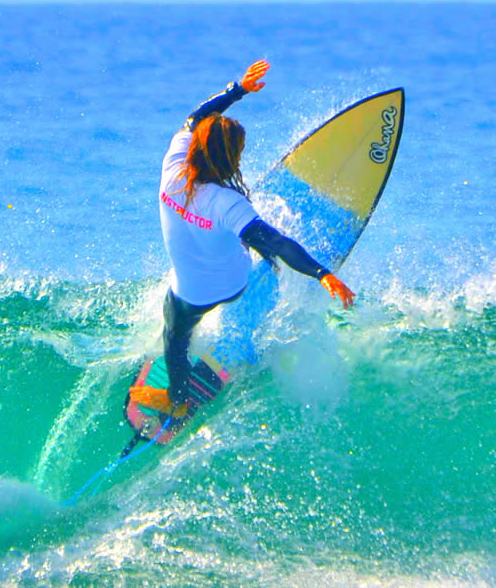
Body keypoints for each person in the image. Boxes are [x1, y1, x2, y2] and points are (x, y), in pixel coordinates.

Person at [143, 59, 354, 416]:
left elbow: (195, 117)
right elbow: (276, 241)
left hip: (189, 295)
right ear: (229, 161)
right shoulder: (228, 203)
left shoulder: (172, 165)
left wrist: (237, 90)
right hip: (234, 283)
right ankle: (269, 276)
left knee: (175, 337)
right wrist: (322, 273)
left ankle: (176, 400)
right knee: (259, 244)